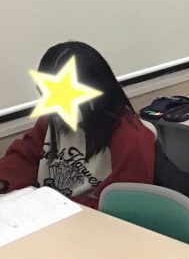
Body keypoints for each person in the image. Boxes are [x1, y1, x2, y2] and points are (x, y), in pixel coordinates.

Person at [0, 41, 155, 207]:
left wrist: (58, 204)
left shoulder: (130, 137)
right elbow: (24, 157)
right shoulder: (52, 118)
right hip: (49, 209)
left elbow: (122, 205)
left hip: (87, 216)